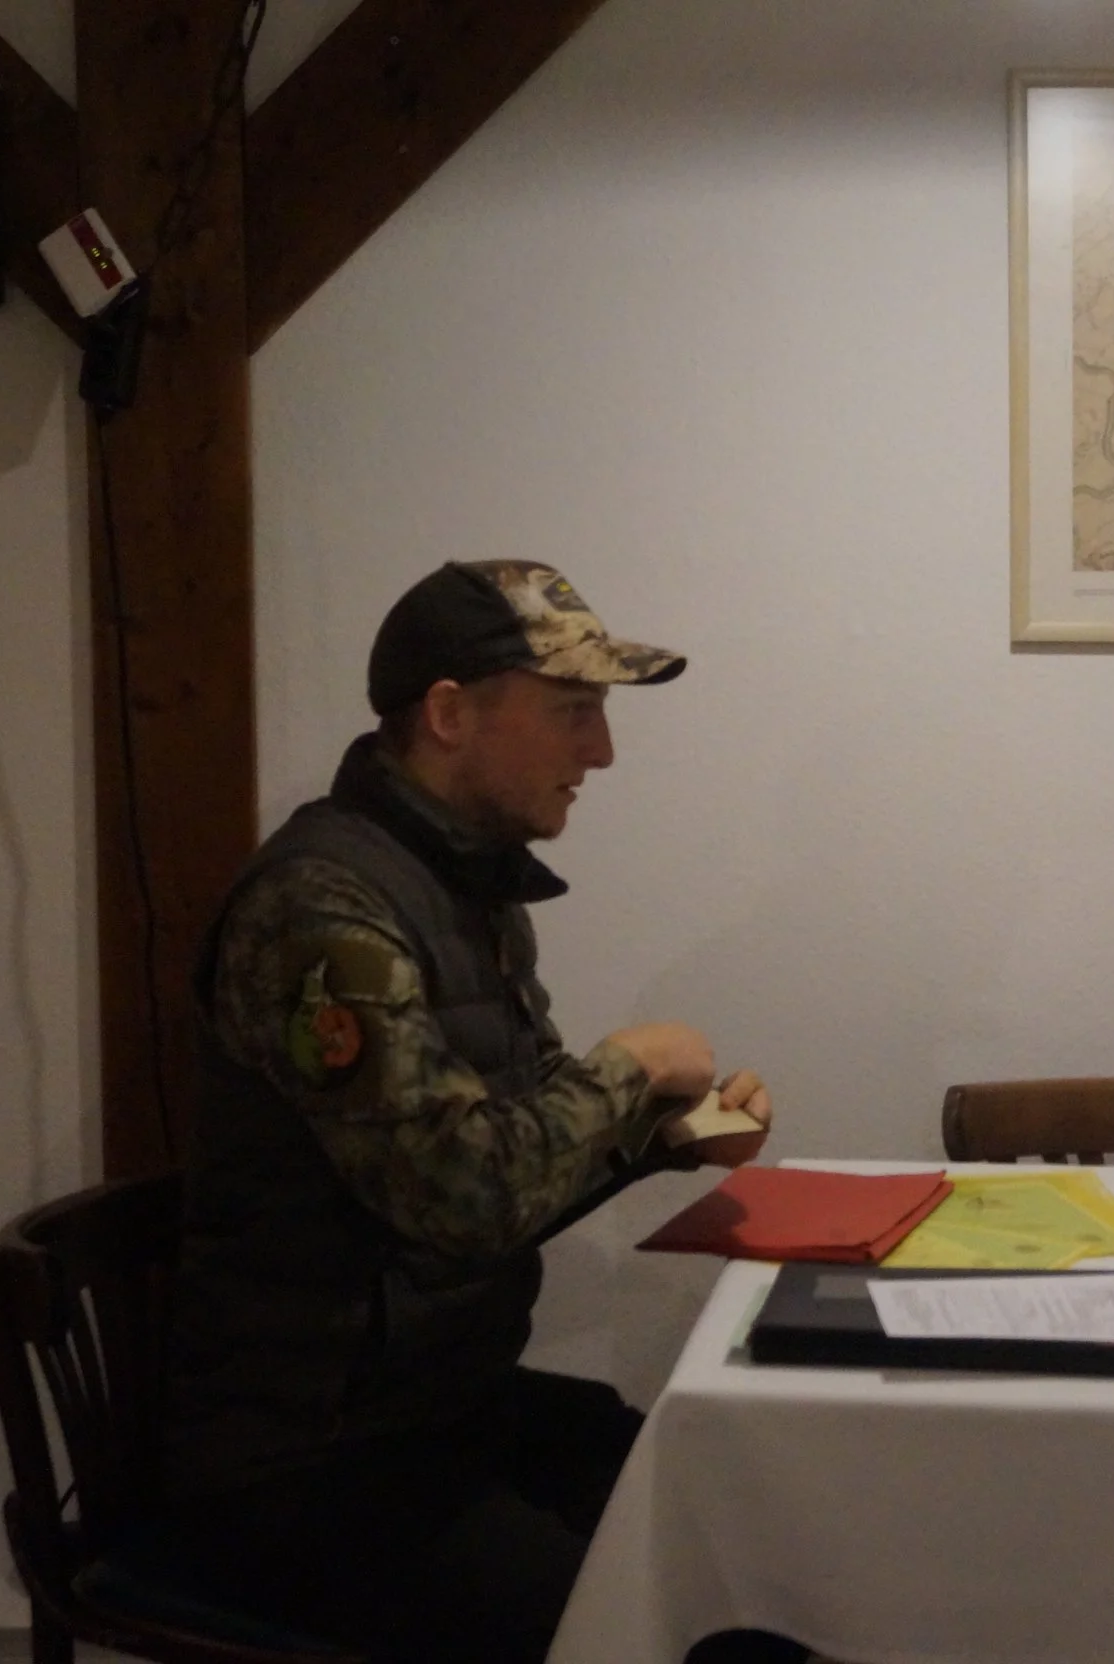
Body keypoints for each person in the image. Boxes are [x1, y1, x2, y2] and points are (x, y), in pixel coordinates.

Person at [160, 560, 804, 1664]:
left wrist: (666, 1134)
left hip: (441, 1412)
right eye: (572, 710)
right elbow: (462, 1197)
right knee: (671, 1628)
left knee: (751, 1538)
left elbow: (515, 1152)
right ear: (450, 714)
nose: (601, 751)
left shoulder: (466, 886)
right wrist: (629, 1065)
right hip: (306, 1461)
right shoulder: (322, 907)